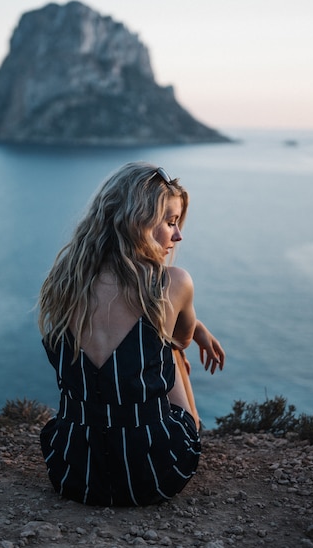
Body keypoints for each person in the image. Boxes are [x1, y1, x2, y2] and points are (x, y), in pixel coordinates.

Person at [38, 162, 225, 506]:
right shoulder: (174, 283)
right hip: (155, 474)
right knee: (170, 350)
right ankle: (192, 434)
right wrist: (194, 329)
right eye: (170, 222)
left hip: (73, 471)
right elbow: (179, 340)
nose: (178, 235)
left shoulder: (65, 282)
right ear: (136, 220)